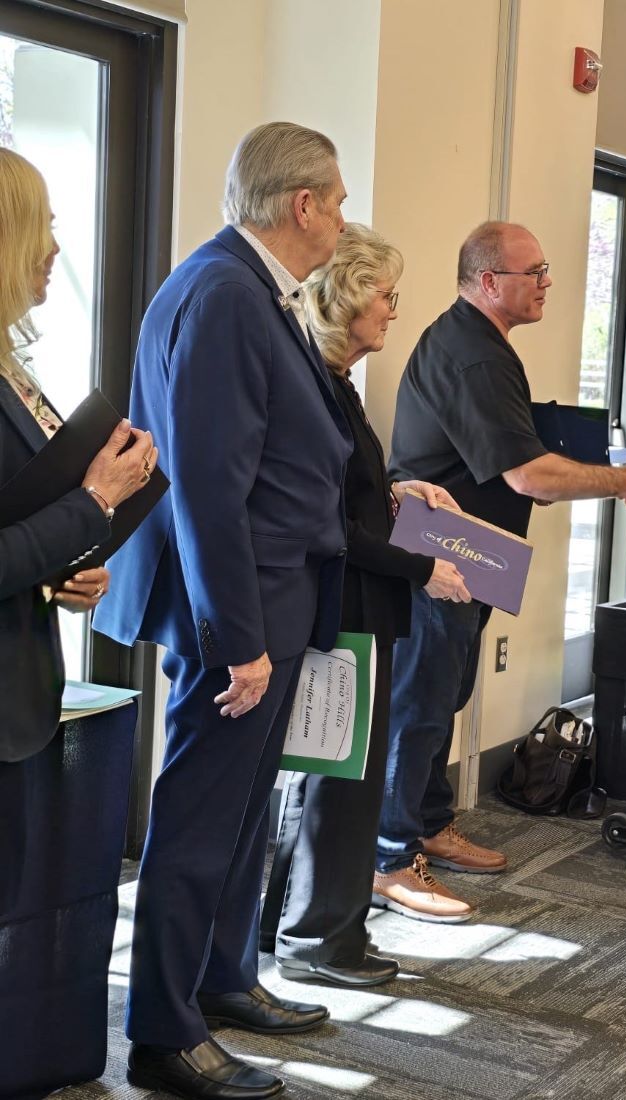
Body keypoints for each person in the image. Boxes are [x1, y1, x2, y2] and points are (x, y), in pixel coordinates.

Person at [94, 122, 354, 1100]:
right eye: (336, 199)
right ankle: (163, 1032)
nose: (341, 217)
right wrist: (238, 638)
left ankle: (220, 974)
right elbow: (207, 484)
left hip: (273, 603)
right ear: (303, 205)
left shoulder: (251, 290)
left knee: (243, 820)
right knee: (201, 823)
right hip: (236, 617)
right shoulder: (221, 292)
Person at [372, 220, 626, 922]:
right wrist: (624, 479)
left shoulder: (482, 344)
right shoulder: (472, 356)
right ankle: (391, 859)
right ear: (488, 282)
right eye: (531, 271)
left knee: (445, 696)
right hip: (437, 552)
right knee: (419, 703)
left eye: (543, 269)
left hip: (471, 553)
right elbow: (531, 477)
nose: (545, 283)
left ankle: (426, 822)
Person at [258, 224, 471, 987]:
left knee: (336, 779)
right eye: (384, 295)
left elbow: (345, 496)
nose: (393, 308)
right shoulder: (316, 382)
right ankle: (318, 942)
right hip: (338, 609)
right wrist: (424, 567)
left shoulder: (336, 382)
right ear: (346, 298)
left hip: (353, 608)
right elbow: (332, 526)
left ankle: (322, 929)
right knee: (336, 786)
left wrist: (396, 493)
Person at [0, 149, 157, 1096]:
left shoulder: (13, 367)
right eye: (44, 224)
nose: (58, 245)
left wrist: (63, 574)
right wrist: (93, 505)